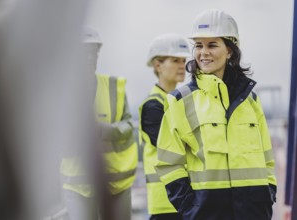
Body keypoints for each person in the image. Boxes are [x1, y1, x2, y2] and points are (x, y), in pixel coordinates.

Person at [155, 9, 277, 220]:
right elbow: (168, 163)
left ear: (230, 51)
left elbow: (267, 157)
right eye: (199, 46)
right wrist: (190, 208)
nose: (203, 53)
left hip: (254, 212)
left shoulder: (251, 101)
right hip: (207, 213)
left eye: (212, 45)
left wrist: (269, 192)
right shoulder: (180, 101)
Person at [60, 27, 138, 220]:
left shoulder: (113, 87)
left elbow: (129, 125)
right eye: (84, 54)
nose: (89, 59)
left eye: (93, 53)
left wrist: (106, 130)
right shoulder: (61, 92)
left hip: (116, 182)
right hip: (77, 185)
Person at [139, 33, 190, 220]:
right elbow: (173, 148)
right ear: (157, 65)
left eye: (183, 60)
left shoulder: (180, 100)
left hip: (185, 198)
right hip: (166, 203)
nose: (181, 65)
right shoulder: (153, 106)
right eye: (175, 60)